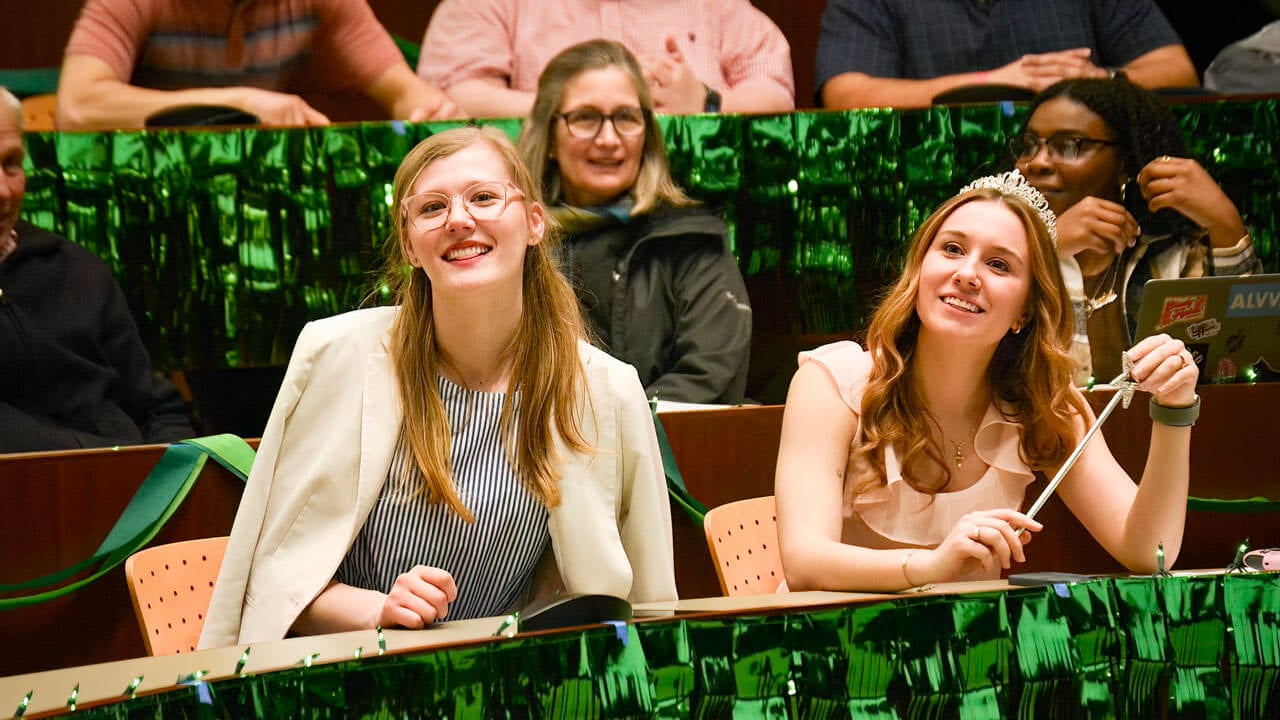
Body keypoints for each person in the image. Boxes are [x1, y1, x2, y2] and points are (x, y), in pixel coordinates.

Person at [199, 126, 676, 647]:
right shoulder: (334, 354)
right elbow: (271, 586)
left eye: (484, 197)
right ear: (409, 243)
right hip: (350, 676)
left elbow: (650, 605)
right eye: (431, 208)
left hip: (510, 683)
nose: (459, 219)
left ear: (534, 222)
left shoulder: (607, 389)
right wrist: (379, 609)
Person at [775, 170, 1198, 592]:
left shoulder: (1042, 402)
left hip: (973, 652)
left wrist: (1175, 410)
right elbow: (803, 562)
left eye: (998, 264)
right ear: (919, 272)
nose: (968, 274)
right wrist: (930, 567)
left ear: (1025, 311)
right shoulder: (831, 385)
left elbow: (1149, 551)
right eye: (953, 249)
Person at [517, 40, 752, 405]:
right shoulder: (514, 242)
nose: (609, 140)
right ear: (549, 137)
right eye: (585, 118)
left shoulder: (691, 239)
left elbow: (709, 380)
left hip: (670, 454)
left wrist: (615, 435)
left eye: (626, 117)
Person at [1012, 76, 1262, 381]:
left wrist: (1226, 221)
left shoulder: (1171, 256)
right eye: (1028, 145)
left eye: (1067, 145)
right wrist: (1045, 246)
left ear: (1125, 161)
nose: (1036, 162)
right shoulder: (990, 241)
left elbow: (1243, 367)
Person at [0, 88, 194, 453]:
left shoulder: (74, 268)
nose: (3, 191)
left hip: (128, 490)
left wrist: (174, 482)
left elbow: (157, 409)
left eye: (11, 163)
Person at [56, 0, 460, 130]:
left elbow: (406, 93)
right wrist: (239, 105)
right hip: (153, 196)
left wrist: (430, 111)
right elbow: (76, 106)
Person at [418, 0, 794, 118]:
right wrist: (579, 107)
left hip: (697, 221)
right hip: (541, 229)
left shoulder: (716, 5)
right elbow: (453, 101)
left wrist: (705, 103)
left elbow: (774, 93)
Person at [815, 0, 1199, 109]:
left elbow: (1176, 70)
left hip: (1085, 185)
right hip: (940, 189)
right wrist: (997, 83)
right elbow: (846, 93)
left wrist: (1102, 84)